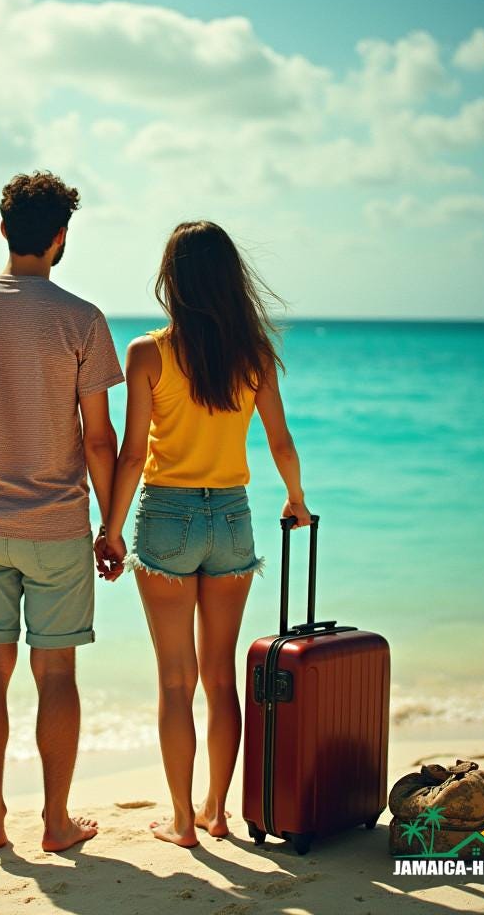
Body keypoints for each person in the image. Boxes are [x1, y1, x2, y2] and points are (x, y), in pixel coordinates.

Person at [0, 171, 124, 852]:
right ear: (62, 237)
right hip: (59, 526)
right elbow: (100, 437)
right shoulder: (83, 319)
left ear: (3, 228)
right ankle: (58, 823)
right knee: (57, 674)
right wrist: (110, 525)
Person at [101, 220, 311, 848]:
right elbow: (279, 440)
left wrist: (110, 532)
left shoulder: (149, 352)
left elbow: (134, 454)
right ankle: (218, 812)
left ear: (173, 279)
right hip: (234, 517)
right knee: (222, 679)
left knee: (175, 680)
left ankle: (181, 822)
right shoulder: (254, 356)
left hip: (166, 516)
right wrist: (296, 499)